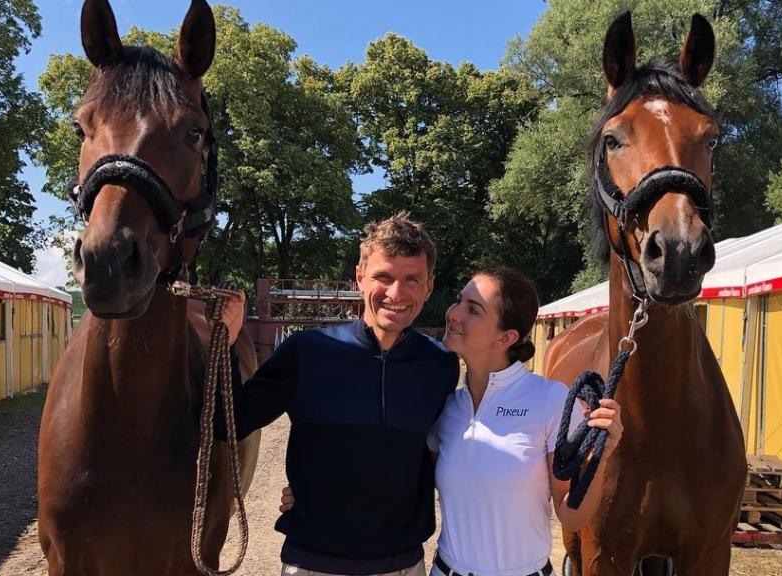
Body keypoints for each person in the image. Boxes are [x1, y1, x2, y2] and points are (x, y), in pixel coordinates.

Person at [231, 212, 460, 576]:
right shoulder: (307, 352)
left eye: (411, 280)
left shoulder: (441, 366)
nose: (396, 293)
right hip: (313, 562)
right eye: (383, 277)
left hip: (402, 565)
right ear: (359, 278)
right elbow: (231, 422)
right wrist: (226, 343)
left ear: (429, 287)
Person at [427, 268, 623, 576]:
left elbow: (571, 518)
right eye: (458, 301)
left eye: (472, 310)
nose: (454, 314)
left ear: (506, 337)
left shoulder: (549, 401)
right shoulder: (447, 407)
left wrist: (601, 456)